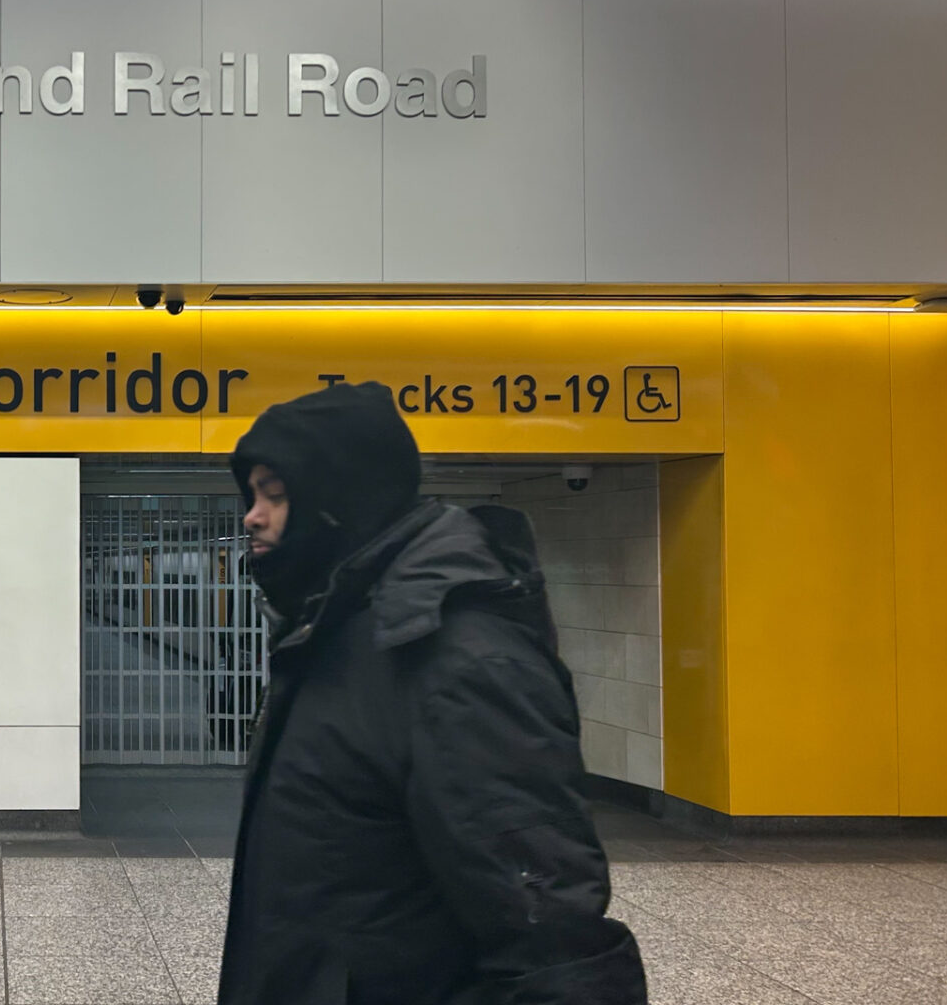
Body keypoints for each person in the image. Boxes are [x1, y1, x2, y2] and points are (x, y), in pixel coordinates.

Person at [218, 381, 648, 1005]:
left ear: (343, 499)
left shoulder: (457, 660)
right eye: (252, 495)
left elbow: (548, 931)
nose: (252, 515)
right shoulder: (341, 634)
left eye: (276, 495)